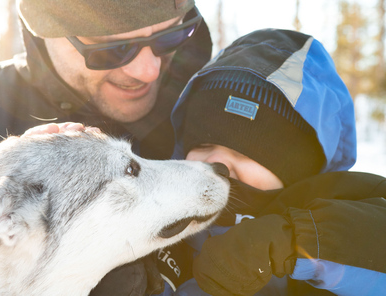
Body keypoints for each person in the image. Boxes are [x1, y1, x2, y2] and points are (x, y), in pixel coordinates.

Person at [0, 0, 211, 295]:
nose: (147, 70)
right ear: (43, 27)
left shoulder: (219, 109)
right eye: (112, 48)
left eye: (171, 35)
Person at [155, 28, 386, 295]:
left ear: (297, 174)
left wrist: (296, 240)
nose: (217, 161)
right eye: (203, 145)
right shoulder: (160, 219)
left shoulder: (320, 242)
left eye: (246, 153)